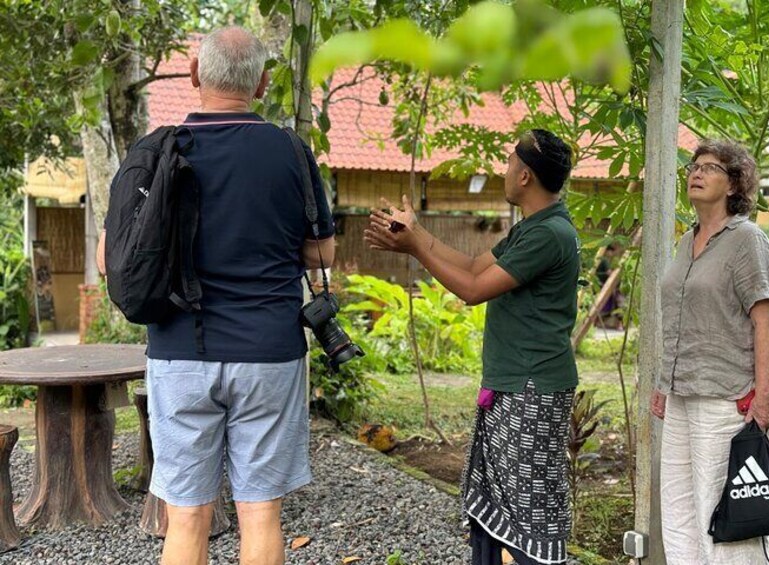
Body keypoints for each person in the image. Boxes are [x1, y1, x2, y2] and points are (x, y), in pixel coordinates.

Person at [98, 27, 335, 565]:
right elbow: (323, 256)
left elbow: (110, 261)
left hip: (180, 352)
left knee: (185, 515)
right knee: (260, 513)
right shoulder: (290, 152)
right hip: (269, 355)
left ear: (194, 75)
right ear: (263, 83)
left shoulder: (156, 151)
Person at [365, 129, 580, 564]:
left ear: (524, 176)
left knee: (528, 515)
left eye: (508, 162)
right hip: (514, 386)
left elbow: (474, 288)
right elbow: (471, 264)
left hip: (532, 389)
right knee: (494, 509)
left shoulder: (551, 234)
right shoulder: (531, 229)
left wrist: (415, 249)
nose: (503, 169)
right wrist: (416, 234)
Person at [651, 139, 769, 564]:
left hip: (728, 399)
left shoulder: (747, 240)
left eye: (710, 167)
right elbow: (677, 316)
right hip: (682, 396)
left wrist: (764, 397)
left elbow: (765, 320)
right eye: (694, 165)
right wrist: (661, 383)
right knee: (679, 510)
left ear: (734, 183)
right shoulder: (686, 241)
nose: (696, 173)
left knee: (725, 513)